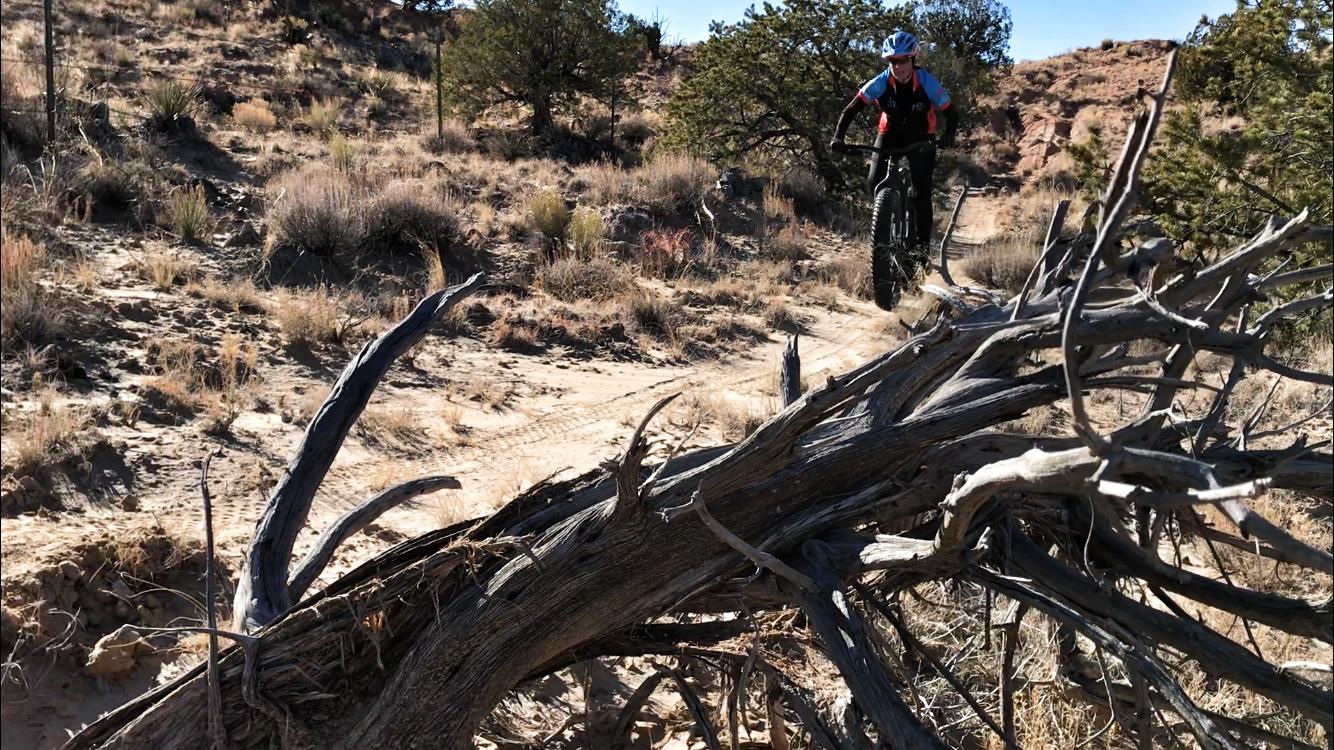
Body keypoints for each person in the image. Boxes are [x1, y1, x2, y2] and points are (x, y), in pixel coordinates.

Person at [829, 31, 958, 250]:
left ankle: (921, 249)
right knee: (874, 182)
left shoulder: (926, 81)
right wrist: (838, 137)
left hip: (922, 136)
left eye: (903, 60)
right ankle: (886, 227)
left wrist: (949, 135)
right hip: (890, 133)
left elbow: (951, 112)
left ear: (913, 59)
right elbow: (851, 109)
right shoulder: (880, 82)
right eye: (893, 61)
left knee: (922, 192)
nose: (898, 66)